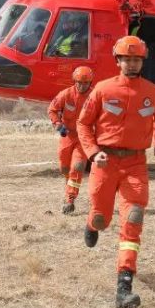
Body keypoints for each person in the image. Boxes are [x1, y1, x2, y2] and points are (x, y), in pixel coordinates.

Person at [76, 35, 155, 308]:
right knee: (103, 218)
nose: (131, 64)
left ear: (142, 61)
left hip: (136, 165)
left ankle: (124, 287)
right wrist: (93, 153)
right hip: (105, 163)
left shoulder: (153, 92)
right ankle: (92, 224)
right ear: (118, 61)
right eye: (127, 59)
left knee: (133, 219)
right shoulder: (102, 90)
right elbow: (83, 124)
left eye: (136, 59)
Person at [47, 66, 95, 214]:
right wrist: (58, 124)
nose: (82, 85)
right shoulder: (66, 94)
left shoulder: (95, 96)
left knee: (78, 167)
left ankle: (70, 199)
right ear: (74, 81)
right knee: (65, 168)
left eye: (85, 83)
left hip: (84, 137)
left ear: (90, 82)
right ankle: (69, 185)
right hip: (67, 135)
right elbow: (52, 109)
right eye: (79, 82)